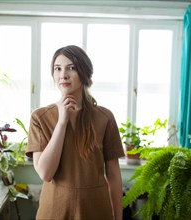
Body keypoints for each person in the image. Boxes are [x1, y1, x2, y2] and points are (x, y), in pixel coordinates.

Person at [26, 45, 124, 220]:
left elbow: (114, 175)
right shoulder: (39, 118)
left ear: (84, 72)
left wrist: (118, 217)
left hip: (96, 210)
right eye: (58, 68)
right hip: (54, 210)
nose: (63, 74)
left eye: (71, 68)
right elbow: (45, 173)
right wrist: (62, 122)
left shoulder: (105, 117)